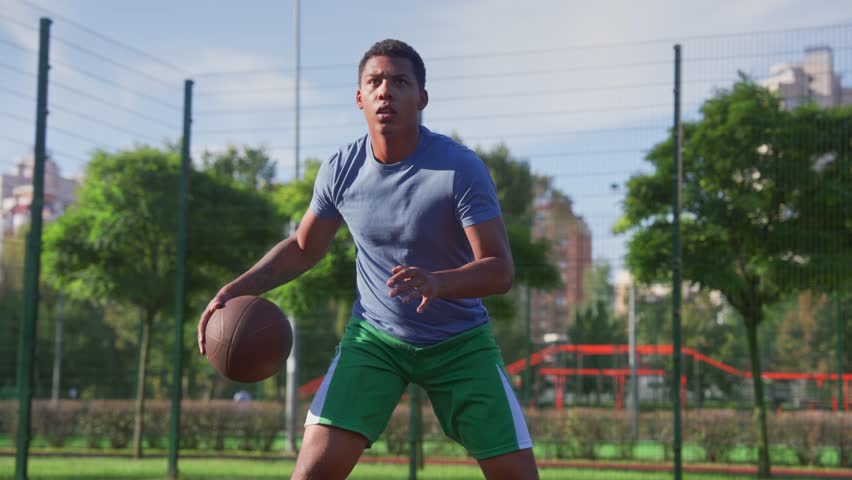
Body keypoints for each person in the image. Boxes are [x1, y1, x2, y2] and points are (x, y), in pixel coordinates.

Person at [197, 38, 539, 480]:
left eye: (400, 81)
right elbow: (304, 248)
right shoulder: (341, 169)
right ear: (359, 97)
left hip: (460, 343)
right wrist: (232, 290)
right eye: (374, 81)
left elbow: (499, 270)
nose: (386, 91)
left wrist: (439, 283)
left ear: (422, 97)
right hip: (375, 340)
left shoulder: (460, 168)